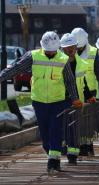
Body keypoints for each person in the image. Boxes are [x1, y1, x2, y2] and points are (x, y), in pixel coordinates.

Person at [0, 31, 83, 172]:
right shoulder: (33, 56)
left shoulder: (63, 59)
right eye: (47, 51)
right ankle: (51, 152)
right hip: (39, 102)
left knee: (55, 130)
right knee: (44, 134)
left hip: (58, 102)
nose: (50, 54)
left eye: (52, 51)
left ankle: (53, 163)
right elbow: (16, 68)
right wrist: (1, 77)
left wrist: (75, 98)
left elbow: (69, 81)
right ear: (42, 47)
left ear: (57, 48)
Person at [60, 33, 97, 164]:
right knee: (64, 127)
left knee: (75, 127)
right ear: (62, 49)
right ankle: (65, 148)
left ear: (76, 47)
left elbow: (84, 83)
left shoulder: (81, 63)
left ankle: (73, 154)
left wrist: (89, 97)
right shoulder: (57, 63)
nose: (70, 50)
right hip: (61, 100)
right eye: (67, 48)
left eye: (72, 47)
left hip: (77, 101)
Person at [71, 28, 99, 155]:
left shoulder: (93, 52)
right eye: (77, 47)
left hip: (90, 93)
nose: (78, 50)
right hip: (75, 93)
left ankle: (88, 146)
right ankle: (80, 145)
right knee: (77, 121)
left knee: (88, 122)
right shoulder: (69, 50)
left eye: (80, 47)